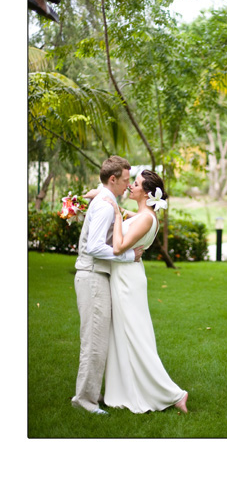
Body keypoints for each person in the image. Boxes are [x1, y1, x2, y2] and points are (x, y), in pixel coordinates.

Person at [101, 169, 189, 414]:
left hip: (128, 281)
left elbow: (118, 247)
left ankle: (174, 393)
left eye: (136, 183)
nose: (130, 186)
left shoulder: (146, 218)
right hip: (126, 277)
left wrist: (117, 214)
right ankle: (126, 390)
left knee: (136, 337)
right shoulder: (144, 214)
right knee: (124, 335)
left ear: (147, 193)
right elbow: (132, 218)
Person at [72, 156, 144, 415]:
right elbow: (94, 246)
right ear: (113, 179)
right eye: (126, 181)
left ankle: (91, 393)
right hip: (92, 277)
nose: (128, 185)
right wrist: (128, 256)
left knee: (99, 339)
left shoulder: (106, 198)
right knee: (94, 341)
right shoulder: (104, 205)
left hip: (97, 277)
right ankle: (84, 400)